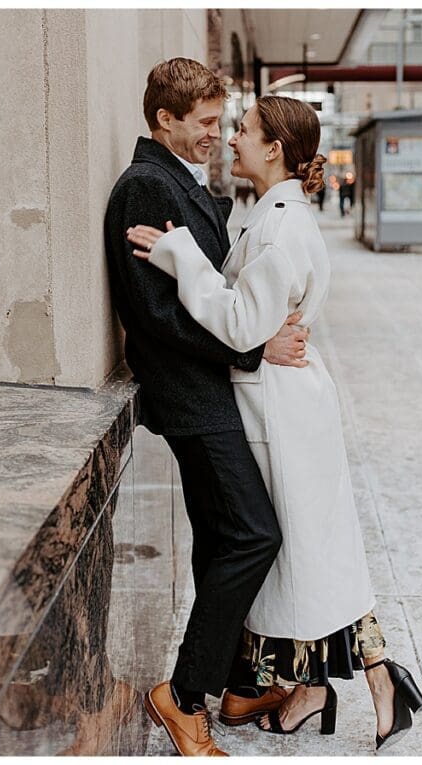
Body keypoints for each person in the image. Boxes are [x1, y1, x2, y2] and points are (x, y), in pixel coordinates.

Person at [126, 95, 422, 754]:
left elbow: (237, 321)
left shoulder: (281, 227)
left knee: (304, 555)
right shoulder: (263, 213)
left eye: (244, 130)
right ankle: (327, 687)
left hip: (281, 413)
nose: (232, 138)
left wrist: (179, 254)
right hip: (279, 402)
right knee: (306, 552)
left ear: (275, 151)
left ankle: (365, 681)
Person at [103, 57, 309, 757]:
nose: (217, 136)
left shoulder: (174, 181)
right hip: (192, 398)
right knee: (255, 535)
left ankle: (237, 681)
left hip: (206, 392)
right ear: (164, 118)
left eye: (224, 123)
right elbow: (157, 314)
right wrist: (254, 351)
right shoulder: (144, 187)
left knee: (228, 540)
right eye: (206, 123)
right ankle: (185, 695)